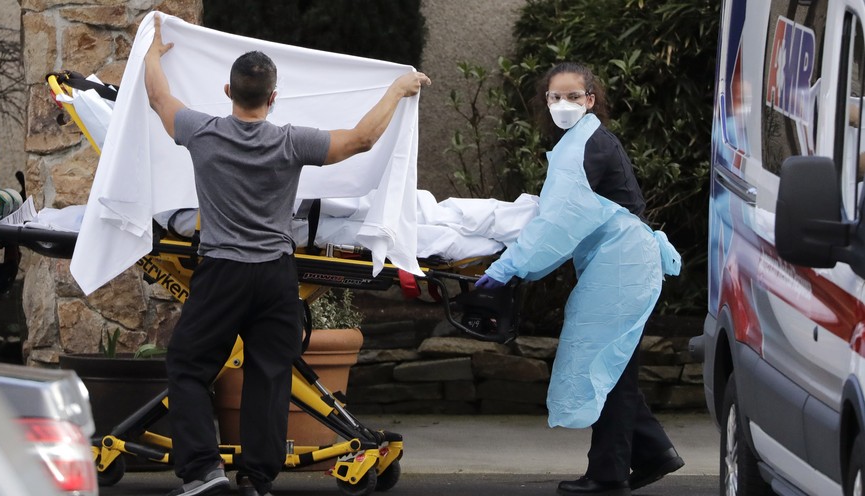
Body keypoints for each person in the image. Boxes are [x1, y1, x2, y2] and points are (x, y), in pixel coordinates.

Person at [143, 14, 430, 496]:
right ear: (273, 98)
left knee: (189, 367)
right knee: (269, 376)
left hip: (222, 274)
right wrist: (398, 89)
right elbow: (361, 139)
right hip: (276, 277)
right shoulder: (292, 141)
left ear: (227, 91)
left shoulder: (201, 130)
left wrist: (152, 53)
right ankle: (257, 481)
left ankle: (203, 473)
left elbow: (158, 97)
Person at [475, 62, 683, 496]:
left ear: (591, 100)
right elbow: (563, 211)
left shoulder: (587, 144)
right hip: (622, 262)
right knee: (613, 364)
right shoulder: (583, 142)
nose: (563, 104)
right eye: (555, 97)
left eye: (573, 96)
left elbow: (559, 221)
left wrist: (507, 267)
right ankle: (652, 453)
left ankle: (610, 475)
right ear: (545, 102)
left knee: (605, 364)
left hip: (622, 265)